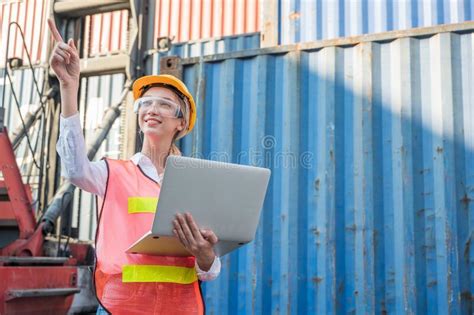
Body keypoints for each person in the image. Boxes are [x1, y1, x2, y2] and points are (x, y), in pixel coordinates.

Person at [48, 19, 221, 314]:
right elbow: (75, 168)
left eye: (165, 104)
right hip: (119, 307)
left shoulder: (195, 183)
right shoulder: (111, 173)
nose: (152, 109)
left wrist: (206, 256)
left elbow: (210, 269)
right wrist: (68, 87)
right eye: (146, 103)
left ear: (181, 122)